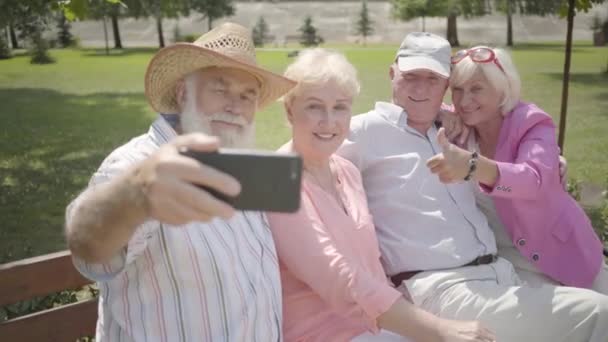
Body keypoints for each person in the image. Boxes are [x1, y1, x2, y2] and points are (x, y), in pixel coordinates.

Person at [337, 31, 608, 341]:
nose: (422, 88)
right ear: (392, 73)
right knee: (599, 314)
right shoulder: (365, 131)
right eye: (411, 76)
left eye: (433, 79)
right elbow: (302, 152)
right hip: (446, 285)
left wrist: (471, 163)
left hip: (536, 258)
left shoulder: (480, 127)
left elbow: (533, 178)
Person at [64, 23, 296, 341]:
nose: (235, 106)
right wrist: (135, 194)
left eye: (247, 96)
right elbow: (87, 247)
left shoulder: (239, 165)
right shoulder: (139, 163)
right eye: (220, 89)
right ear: (183, 92)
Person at [266, 48, 496, 342]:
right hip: (324, 334)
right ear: (289, 110)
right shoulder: (279, 180)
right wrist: (439, 329)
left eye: (340, 107)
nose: (329, 120)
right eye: (314, 106)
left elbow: (372, 264)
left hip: (376, 328)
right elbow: (339, 278)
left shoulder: (346, 170)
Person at [426, 45, 608, 293]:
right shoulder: (459, 129)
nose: (464, 101)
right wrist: (437, 111)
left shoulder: (530, 122)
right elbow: (409, 105)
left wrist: (473, 166)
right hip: (506, 264)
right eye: (457, 90)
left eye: (476, 89)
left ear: (503, 89)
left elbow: (533, 179)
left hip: (563, 255)